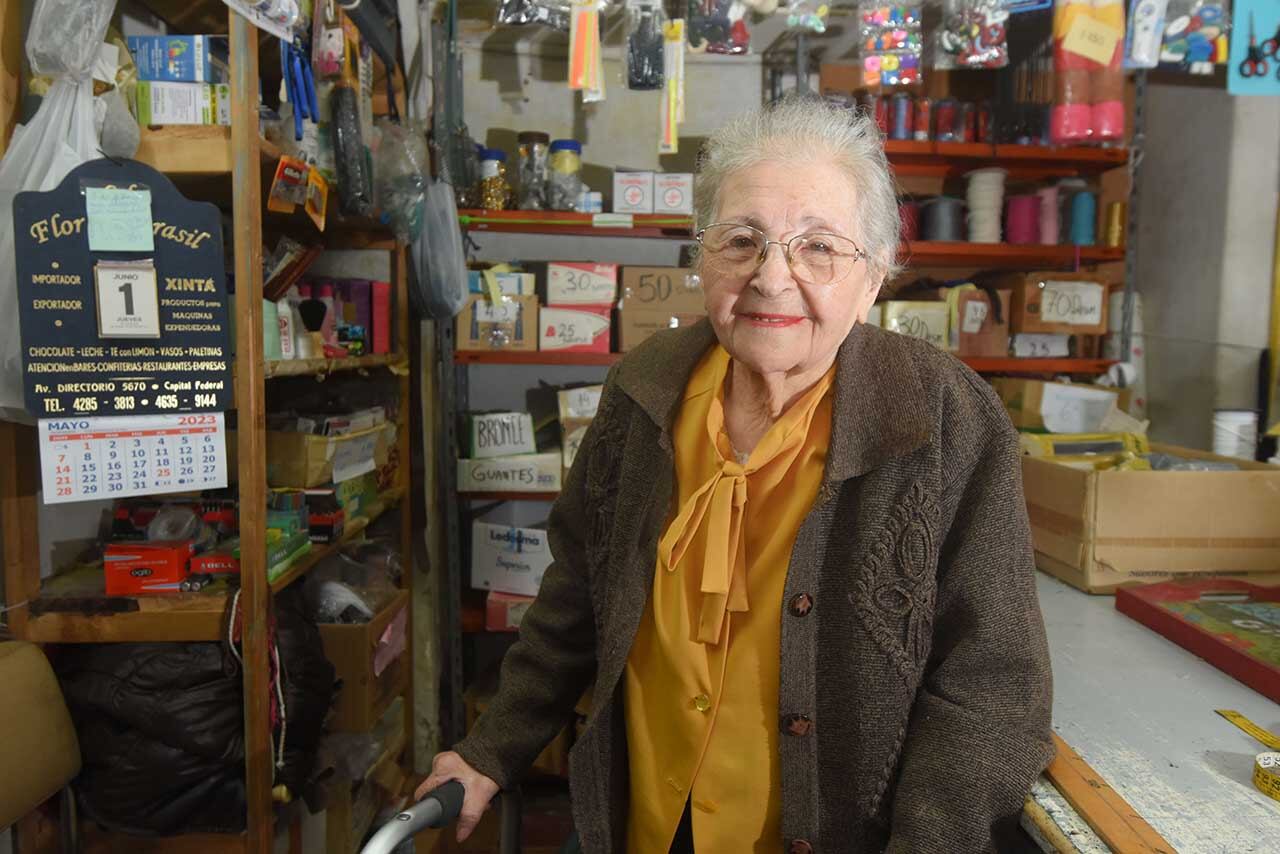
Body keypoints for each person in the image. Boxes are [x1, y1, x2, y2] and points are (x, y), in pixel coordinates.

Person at [417, 96, 1054, 853]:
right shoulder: (646, 390)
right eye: (741, 240)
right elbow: (577, 594)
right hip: (648, 825)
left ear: (874, 277)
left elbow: (991, 689)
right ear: (701, 257)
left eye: (819, 247)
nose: (772, 278)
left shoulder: (947, 422)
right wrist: (493, 748)